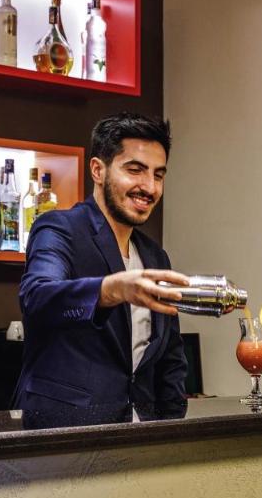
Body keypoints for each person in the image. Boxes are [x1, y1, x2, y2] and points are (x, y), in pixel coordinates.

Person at [14, 112, 190, 426]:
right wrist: (110, 290)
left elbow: (170, 358)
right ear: (98, 170)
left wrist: (170, 427)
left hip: (141, 436)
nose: (149, 187)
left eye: (158, 175)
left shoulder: (155, 256)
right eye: (135, 170)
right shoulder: (58, 228)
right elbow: (37, 298)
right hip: (66, 433)